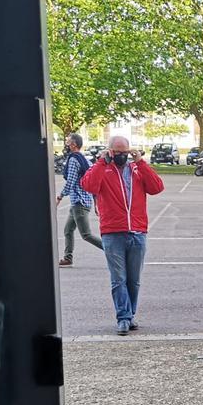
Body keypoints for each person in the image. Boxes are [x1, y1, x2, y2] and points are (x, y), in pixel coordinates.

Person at [79, 135, 165, 335]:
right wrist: (102, 162)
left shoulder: (136, 170)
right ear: (110, 151)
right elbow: (88, 186)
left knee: (133, 279)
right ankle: (123, 317)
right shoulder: (102, 169)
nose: (121, 156)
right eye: (117, 153)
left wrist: (141, 162)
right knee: (118, 278)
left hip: (137, 231)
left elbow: (157, 187)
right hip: (112, 232)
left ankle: (130, 314)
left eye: (124, 153)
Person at [57, 133, 102, 267]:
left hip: (79, 202)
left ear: (74, 144)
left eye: (68, 141)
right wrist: (95, 202)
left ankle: (112, 250)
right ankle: (68, 258)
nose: (66, 142)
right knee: (68, 230)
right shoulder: (85, 160)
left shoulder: (73, 160)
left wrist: (60, 196)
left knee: (86, 234)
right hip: (80, 201)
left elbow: (70, 181)